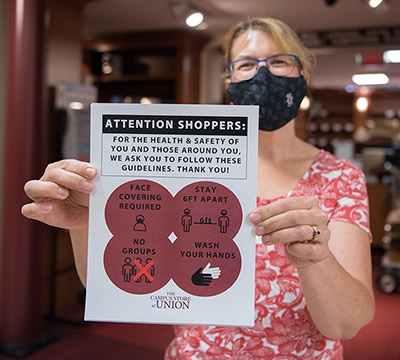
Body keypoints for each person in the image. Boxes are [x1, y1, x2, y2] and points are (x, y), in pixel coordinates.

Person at [22, 17, 374, 359]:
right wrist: (86, 224)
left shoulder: (339, 177)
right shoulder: (188, 164)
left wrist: (316, 259)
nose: (263, 73)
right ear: (229, 82)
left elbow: (345, 324)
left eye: (279, 61)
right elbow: (113, 285)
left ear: (303, 76)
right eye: (247, 64)